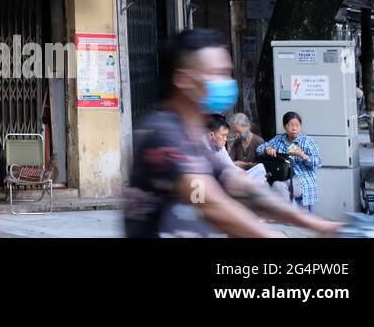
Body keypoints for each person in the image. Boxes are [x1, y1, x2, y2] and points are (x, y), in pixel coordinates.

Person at [123, 28, 340, 238]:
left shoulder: (194, 137)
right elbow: (208, 202)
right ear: (184, 80)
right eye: (217, 74)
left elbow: (242, 189)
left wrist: (315, 224)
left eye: (227, 73)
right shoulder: (163, 134)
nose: (226, 82)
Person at [257, 111, 323, 212]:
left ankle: (294, 215)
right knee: (263, 184)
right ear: (285, 126)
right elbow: (259, 149)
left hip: (301, 179)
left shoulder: (307, 141)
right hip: (282, 176)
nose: (294, 128)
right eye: (291, 125)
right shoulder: (279, 139)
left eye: (297, 125)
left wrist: (301, 155)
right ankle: (294, 214)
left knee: (277, 186)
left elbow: (317, 162)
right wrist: (267, 149)